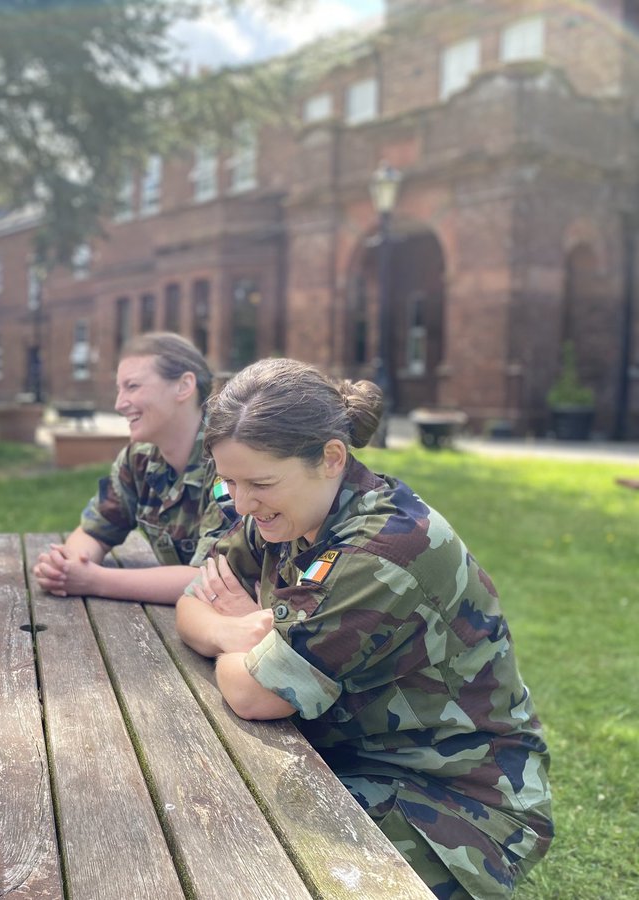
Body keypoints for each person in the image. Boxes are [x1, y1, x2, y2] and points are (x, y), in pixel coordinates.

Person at [175, 358, 553, 899]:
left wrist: (247, 641)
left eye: (259, 482)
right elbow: (193, 601)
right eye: (229, 482)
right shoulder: (288, 512)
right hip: (357, 758)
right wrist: (236, 634)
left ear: (331, 457)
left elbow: (255, 695)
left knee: (246, 856)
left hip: (459, 805)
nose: (240, 503)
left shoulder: (382, 551)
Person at [31, 332, 234, 604]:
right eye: (119, 388)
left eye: (133, 386)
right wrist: (68, 565)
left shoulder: (230, 459)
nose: (119, 404)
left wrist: (93, 580)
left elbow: (208, 580)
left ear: (184, 386)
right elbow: (96, 528)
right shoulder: (139, 458)